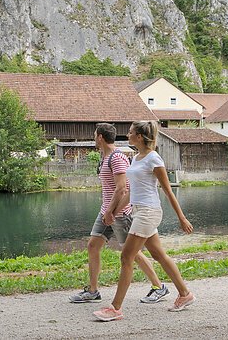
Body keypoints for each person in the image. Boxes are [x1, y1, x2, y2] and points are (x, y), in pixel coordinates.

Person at [94, 120, 195, 322]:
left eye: (130, 133)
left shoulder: (154, 159)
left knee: (126, 256)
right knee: (158, 255)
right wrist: (113, 210)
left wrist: (181, 218)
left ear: (139, 136)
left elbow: (167, 191)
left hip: (149, 212)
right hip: (138, 210)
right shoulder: (137, 158)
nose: (127, 135)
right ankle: (185, 294)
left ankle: (115, 308)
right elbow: (131, 192)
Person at [69, 123, 171, 304]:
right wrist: (106, 211)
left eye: (95, 135)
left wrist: (112, 212)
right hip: (106, 211)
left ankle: (158, 286)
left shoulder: (117, 158)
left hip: (120, 213)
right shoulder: (105, 156)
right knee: (93, 245)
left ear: (100, 137)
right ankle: (93, 291)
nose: (94, 138)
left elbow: (123, 188)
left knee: (131, 253)